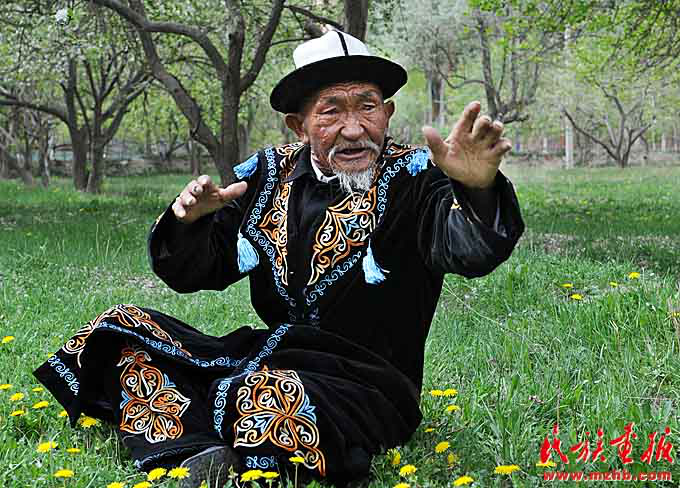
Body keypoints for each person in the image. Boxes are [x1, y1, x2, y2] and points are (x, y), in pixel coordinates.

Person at [34, 30, 524, 488]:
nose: (354, 129)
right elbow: (198, 271)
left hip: (370, 386)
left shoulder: (418, 177)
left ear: (388, 112)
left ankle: (221, 439)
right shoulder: (265, 176)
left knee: (264, 398)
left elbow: (468, 249)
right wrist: (190, 224)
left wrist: (477, 190)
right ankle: (204, 451)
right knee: (119, 331)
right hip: (270, 356)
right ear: (299, 125)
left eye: (367, 107)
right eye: (331, 111)